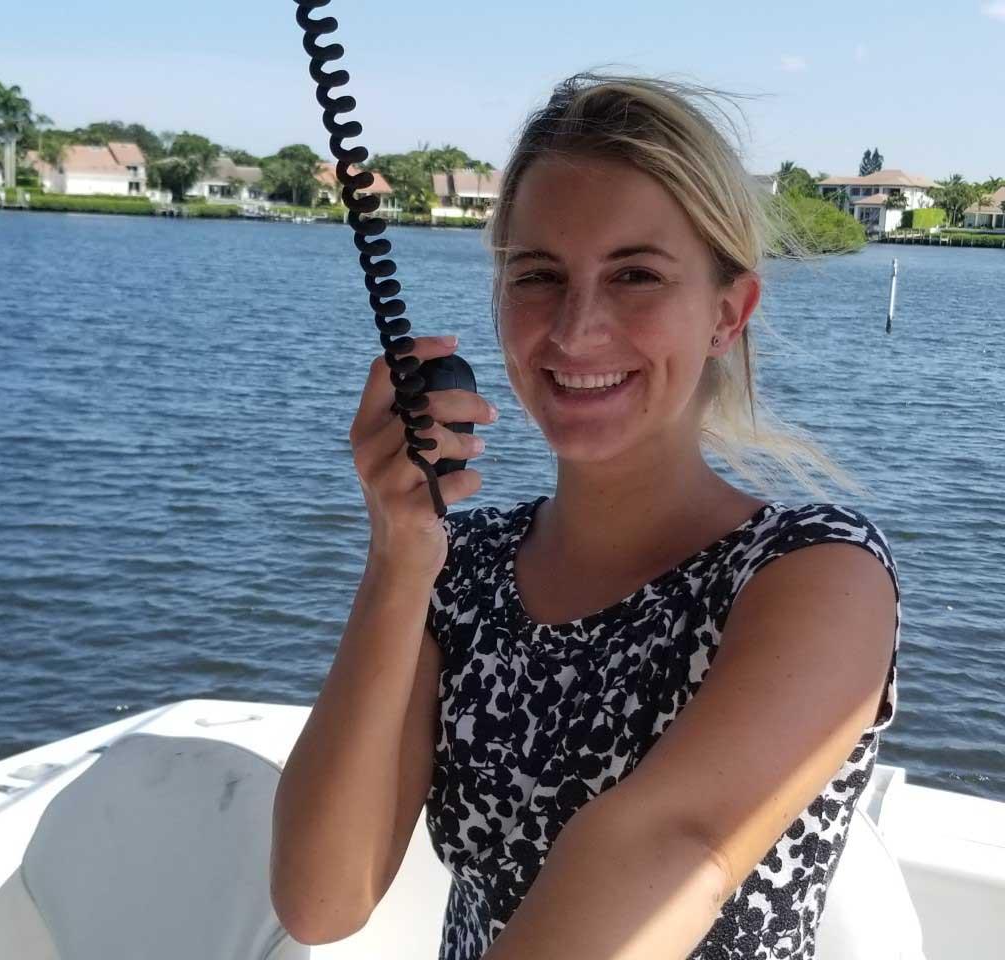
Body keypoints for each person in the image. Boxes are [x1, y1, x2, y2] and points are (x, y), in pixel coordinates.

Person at [270, 73, 900, 960]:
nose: (575, 329)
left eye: (635, 274)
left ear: (728, 312)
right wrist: (400, 555)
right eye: (538, 276)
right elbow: (320, 900)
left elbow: (664, 847)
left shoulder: (815, 574)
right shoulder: (464, 566)